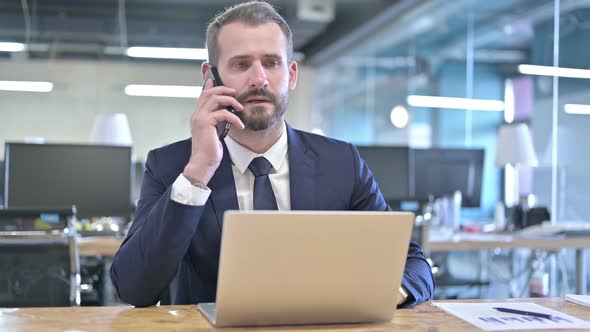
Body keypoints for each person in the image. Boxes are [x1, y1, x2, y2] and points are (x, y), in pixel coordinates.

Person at [110, 0, 434, 308]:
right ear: (210, 77)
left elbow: (412, 263)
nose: (259, 78)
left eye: (271, 62)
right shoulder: (171, 166)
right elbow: (133, 286)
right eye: (241, 64)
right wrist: (199, 171)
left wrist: (382, 294)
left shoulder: (342, 163)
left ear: (291, 75)